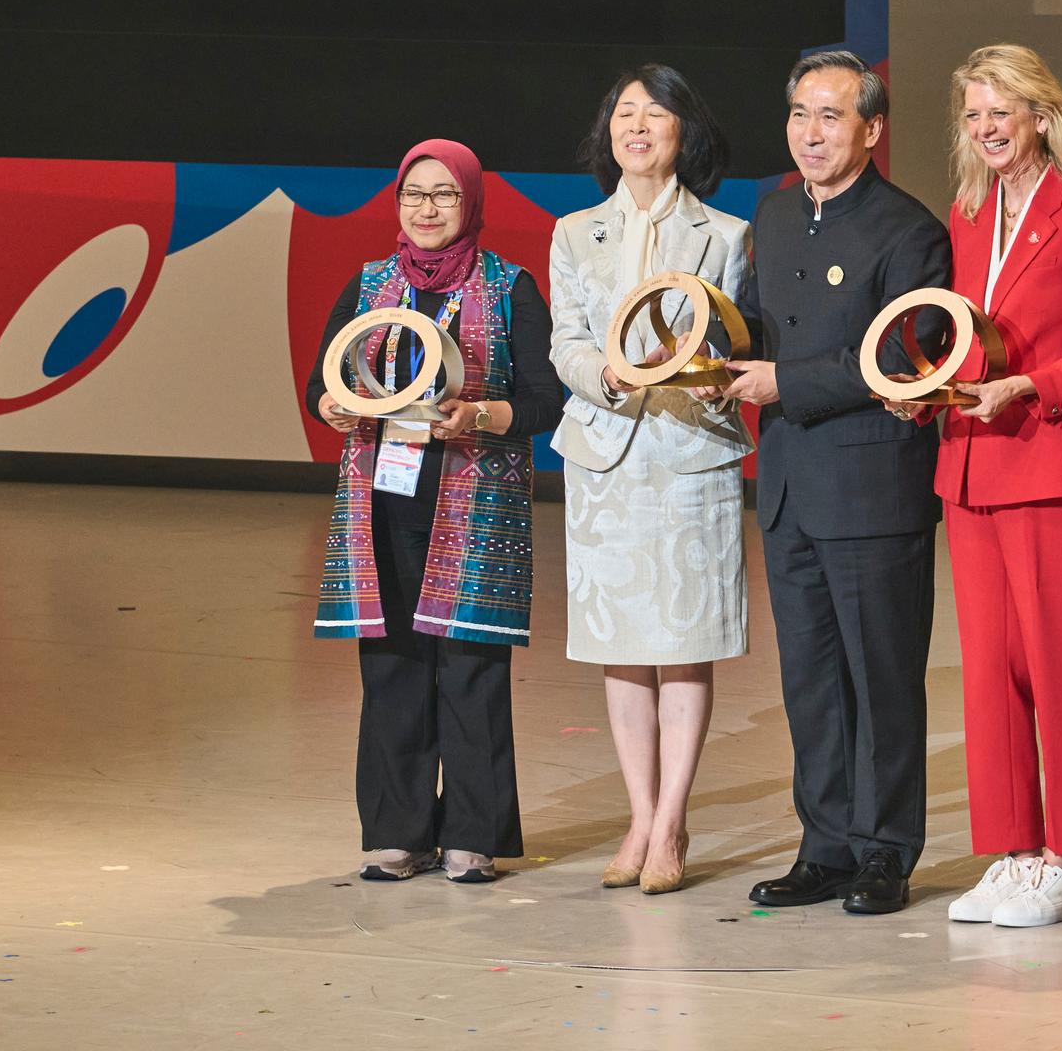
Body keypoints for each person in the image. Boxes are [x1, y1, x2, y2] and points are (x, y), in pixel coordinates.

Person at [723, 50, 951, 915]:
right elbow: (756, 323)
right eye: (798, 115)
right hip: (787, 485)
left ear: (871, 129)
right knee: (812, 680)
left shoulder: (908, 229)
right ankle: (824, 844)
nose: (810, 133)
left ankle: (887, 850)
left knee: (882, 676)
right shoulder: (775, 215)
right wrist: (706, 342)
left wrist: (787, 383)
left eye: (829, 116)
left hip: (873, 488)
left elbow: (901, 360)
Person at [309, 138, 564, 884]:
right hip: (383, 501)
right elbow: (323, 378)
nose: (426, 209)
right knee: (391, 664)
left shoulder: (509, 286)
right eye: (413, 194)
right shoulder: (369, 287)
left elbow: (546, 400)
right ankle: (398, 830)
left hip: (474, 502)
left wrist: (480, 416)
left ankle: (471, 835)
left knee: (471, 665)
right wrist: (327, 403)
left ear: (471, 204)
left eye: (443, 195)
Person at [910, 45, 1062, 928]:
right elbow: (965, 337)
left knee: (1058, 667)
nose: (988, 128)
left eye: (1003, 111)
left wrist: (1029, 386)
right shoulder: (967, 213)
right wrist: (925, 390)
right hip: (970, 465)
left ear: (1042, 114)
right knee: (989, 673)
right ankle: (1011, 852)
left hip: (1048, 460)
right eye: (973, 114)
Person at [548, 65, 753, 896]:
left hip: (689, 453)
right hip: (605, 455)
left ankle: (672, 823)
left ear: (684, 134)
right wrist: (606, 376)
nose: (637, 126)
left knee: (685, 645)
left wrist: (708, 375)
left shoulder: (727, 234)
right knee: (621, 650)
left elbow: (733, 339)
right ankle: (639, 815)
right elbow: (565, 340)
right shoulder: (574, 232)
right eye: (623, 113)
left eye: (655, 113)